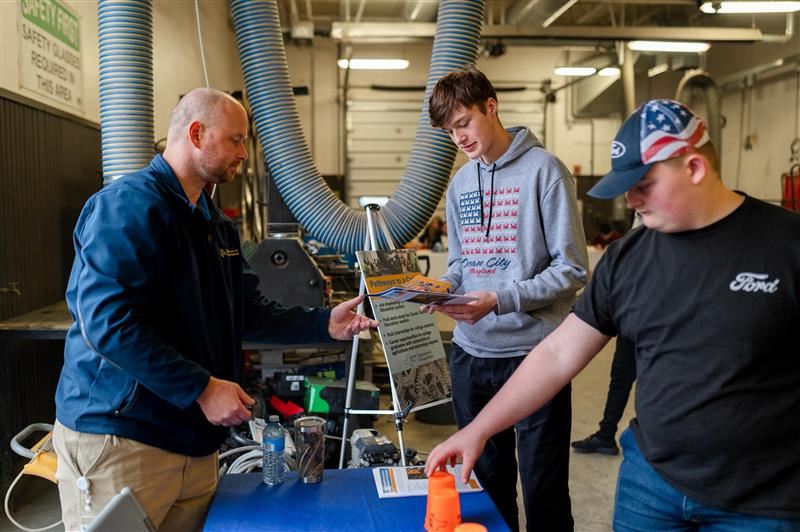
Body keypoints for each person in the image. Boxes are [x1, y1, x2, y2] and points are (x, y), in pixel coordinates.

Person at [425, 99, 800, 530]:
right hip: (652, 485)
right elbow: (557, 354)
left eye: (644, 184)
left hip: (761, 498)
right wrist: (478, 430)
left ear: (694, 168)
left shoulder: (786, 248)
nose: (631, 200)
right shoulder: (628, 259)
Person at [53, 88, 377, 531]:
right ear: (196, 133)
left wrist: (324, 323)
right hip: (122, 439)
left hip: (194, 442)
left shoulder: (216, 225)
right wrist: (203, 389)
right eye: (236, 140)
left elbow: (247, 311)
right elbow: (108, 324)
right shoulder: (129, 207)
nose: (244, 153)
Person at [424, 67, 589, 531]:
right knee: (487, 488)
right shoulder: (459, 185)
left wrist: (499, 300)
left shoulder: (545, 172)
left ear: (490, 107)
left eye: (463, 123)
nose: (457, 137)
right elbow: (461, 265)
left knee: (544, 490)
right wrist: (441, 289)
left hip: (533, 356)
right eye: (448, 130)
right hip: (472, 355)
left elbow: (573, 269)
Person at [570, 336, 635, 455]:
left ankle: (606, 435)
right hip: (633, 328)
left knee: (625, 381)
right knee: (620, 380)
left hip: (660, 330)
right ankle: (606, 434)